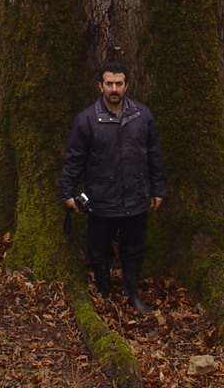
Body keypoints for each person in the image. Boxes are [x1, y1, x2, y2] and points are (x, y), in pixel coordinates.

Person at [60, 61, 166, 313]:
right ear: (101, 86)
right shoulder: (86, 120)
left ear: (127, 85)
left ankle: (133, 294)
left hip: (136, 197)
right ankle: (104, 294)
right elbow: (73, 159)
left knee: (134, 249)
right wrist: (67, 193)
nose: (114, 89)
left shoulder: (142, 116)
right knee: (99, 251)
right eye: (109, 84)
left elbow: (154, 155)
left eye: (119, 83)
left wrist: (158, 189)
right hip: (101, 199)